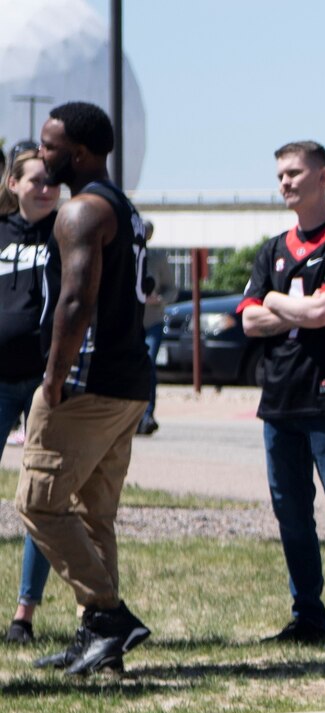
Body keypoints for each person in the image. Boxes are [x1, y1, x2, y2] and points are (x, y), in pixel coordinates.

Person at [18, 101, 155, 677]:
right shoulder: (123, 207)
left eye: (48, 145)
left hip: (86, 387)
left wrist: (52, 382)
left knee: (38, 504)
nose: (40, 152)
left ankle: (109, 618)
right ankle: (100, 644)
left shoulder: (80, 213)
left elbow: (75, 304)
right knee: (92, 514)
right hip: (128, 386)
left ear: (75, 152)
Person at [237, 141, 325, 650]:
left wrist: (275, 299)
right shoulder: (273, 248)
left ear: (323, 176)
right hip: (280, 400)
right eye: (279, 175)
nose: (285, 183)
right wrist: (293, 305)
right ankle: (307, 616)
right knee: (291, 514)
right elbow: (248, 321)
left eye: (295, 173)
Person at [0, 148, 58, 644]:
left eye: (52, 181)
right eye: (35, 180)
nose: (45, 188)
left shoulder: (69, 230)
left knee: (38, 497)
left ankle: (24, 614)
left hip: (46, 384)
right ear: (13, 183)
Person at [136, 218, 165, 436]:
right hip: (132, 322)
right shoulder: (129, 256)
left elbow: (172, 289)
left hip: (153, 322)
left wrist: (160, 298)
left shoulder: (157, 259)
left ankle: (147, 415)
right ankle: (132, 417)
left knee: (149, 365)